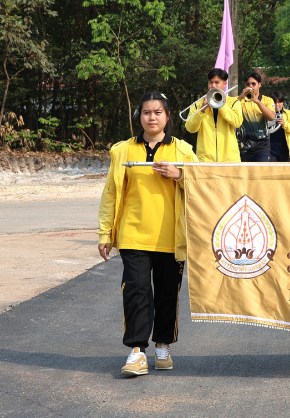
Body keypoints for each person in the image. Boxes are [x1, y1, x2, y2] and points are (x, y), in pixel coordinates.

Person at [97, 91, 199, 376]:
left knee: (168, 293)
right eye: (146, 112)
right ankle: (137, 352)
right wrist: (105, 233)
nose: (151, 117)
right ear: (138, 116)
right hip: (134, 234)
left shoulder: (183, 150)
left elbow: (205, 185)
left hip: (171, 236)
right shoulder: (123, 151)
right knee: (136, 293)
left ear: (167, 116)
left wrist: (180, 175)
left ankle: (163, 345)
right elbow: (111, 194)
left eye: (158, 112)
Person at [185, 68, 243, 162]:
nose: (213, 86)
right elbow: (190, 128)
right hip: (205, 160)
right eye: (210, 82)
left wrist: (222, 104)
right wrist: (202, 110)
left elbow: (237, 122)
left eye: (217, 82)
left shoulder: (233, 102)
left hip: (229, 160)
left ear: (224, 84)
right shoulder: (198, 104)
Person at [237, 71, 276, 163]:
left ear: (259, 84)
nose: (250, 86)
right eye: (248, 84)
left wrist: (257, 101)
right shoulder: (239, 100)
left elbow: (271, 117)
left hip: (262, 146)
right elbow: (230, 112)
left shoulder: (267, 100)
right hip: (244, 146)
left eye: (253, 84)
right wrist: (240, 97)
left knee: (261, 174)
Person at [268, 91, 290, 163]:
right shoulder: (266, 114)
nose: (277, 105)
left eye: (279, 102)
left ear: (283, 103)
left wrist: (285, 124)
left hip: (284, 150)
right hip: (269, 150)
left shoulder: (289, 113)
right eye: (275, 102)